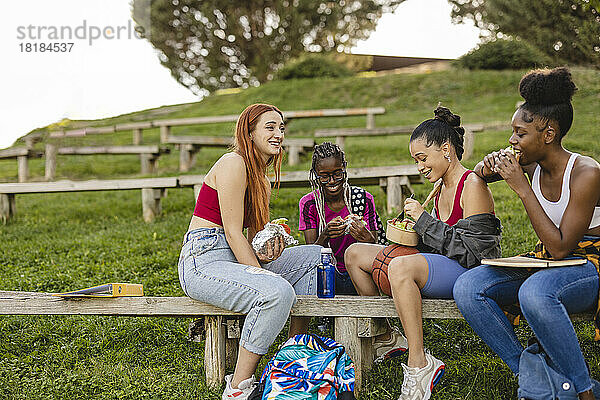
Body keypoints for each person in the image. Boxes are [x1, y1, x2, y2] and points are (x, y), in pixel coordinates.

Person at [453, 67, 600, 400]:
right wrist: (486, 165)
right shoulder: (531, 164)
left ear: (548, 134)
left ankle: (583, 390)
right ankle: (535, 377)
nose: (512, 141)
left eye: (520, 134)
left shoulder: (586, 172)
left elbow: (562, 247)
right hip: (548, 262)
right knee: (469, 286)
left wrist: (521, 188)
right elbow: (480, 173)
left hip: (589, 265)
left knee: (534, 293)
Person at [345, 106, 502, 400]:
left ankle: (419, 362)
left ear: (446, 150)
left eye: (422, 158)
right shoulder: (440, 187)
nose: (419, 167)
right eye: (415, 160)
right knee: (355, 254)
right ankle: (387, 336)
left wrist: (424, 221)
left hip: (471, 272)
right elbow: (434, 244)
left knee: (401, 268)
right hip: (445, 265)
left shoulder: (472, 185)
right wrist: (400, 233)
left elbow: (475, 252)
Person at [177, 104, 321, 400]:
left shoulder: (262, 180)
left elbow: (254, 240)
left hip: (233, 256)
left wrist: (268, 249)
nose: (278, 134)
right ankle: (239, 386)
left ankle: (291, 361)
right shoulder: (233, 162)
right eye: (270, 127)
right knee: (276, 291)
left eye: (281, 128)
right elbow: (231, 232)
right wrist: (260, 273)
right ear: (249, 132)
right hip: (204, 260)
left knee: (315, 257)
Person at [298, 141, 386, 295]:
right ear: (315, 174)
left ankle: (374, 316)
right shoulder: (309, 204)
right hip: (328, 274)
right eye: (324, 176)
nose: (332, 181)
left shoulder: (363, 198)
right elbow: (311, 254)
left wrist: (365, 236)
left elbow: (374, 246)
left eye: (337, 174)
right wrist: (325, 234)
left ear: (344, 168)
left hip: (360, 272)